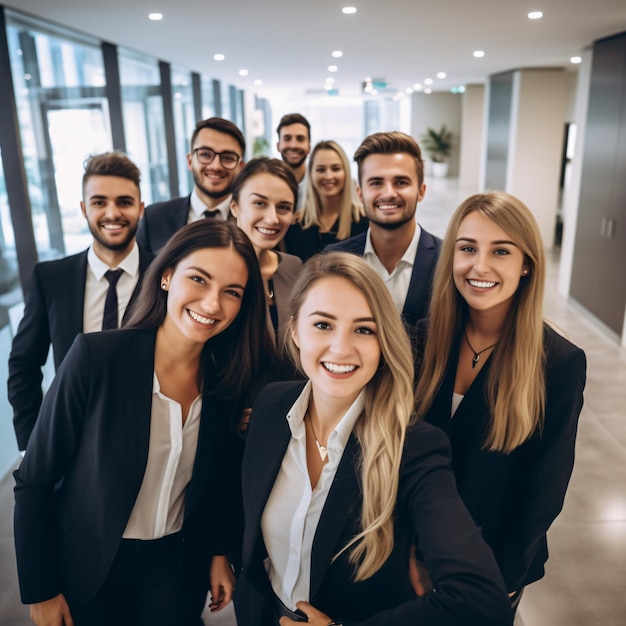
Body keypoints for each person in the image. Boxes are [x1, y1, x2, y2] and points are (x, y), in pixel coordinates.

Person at [13, 220, 274, 626]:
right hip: (90, 563)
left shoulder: (228, 380)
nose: (211, 304)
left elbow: (219, 478)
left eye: (231, 292)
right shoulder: (95, 358)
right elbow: (35, 480)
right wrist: (41, 588)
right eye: (199, 280)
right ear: (167, 275)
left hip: (175, 566)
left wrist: (220, 552)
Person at [234, 252, 513, 626]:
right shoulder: (271, 405)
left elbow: (480, 598)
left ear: (384, 343)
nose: (341, 348)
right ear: (295, 330)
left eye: (364, 329)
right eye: (323, 325)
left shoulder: (413, 447)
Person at [413, 192, 587, 610]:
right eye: (468, 248)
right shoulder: (421, 338)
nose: (480, 266)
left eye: (501, 251)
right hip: (411, 551)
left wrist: (501, 577)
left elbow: (544, 489)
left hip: (491, 562)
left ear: (526, 264)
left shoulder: (558, 362)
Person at [8, 151, 153, 452]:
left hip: (149, 440)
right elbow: (24, 364)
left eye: (124, 202)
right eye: (100, 202)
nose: (112, 213)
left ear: (140, 209)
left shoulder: (166, 275)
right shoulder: (50, 278)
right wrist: (31, 444)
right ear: (84, 208)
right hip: (70, 440)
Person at [325, 131, 441, 328]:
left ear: (420, 191)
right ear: (360, 194)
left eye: (401, 182)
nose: (389, 193)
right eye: (376, 183)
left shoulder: (448, 260)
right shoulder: (333, 259)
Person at [137, 117, 245, 253]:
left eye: (228, 158)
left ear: (241, 167)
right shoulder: (154, 218)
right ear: (189, 161)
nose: (216, 166)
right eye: (205, 155)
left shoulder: (253, 220)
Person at [230, 157, 302, 343]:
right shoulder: (216, 270)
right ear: (235, 207)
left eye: (283, 207)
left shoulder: (294, 267)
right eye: (260, 203)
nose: (272, 219)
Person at [284, 140, 368, 261]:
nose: (328, 176)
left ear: (346, 173)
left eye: (336, 169)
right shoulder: (295, 225)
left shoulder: (364, 222)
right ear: (311, 174)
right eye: (321, 170)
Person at [276, 113, 311, 211]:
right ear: (278, 146)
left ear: (309, 147)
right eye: (287, 138)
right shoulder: (267, 184)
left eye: (300, 139)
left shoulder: (320, 184)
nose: (293, 145)